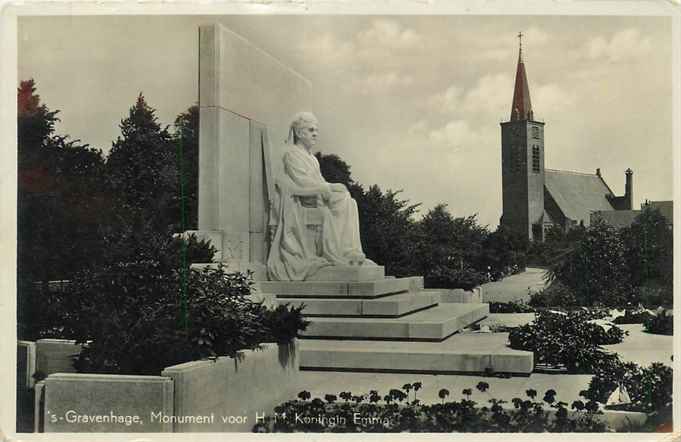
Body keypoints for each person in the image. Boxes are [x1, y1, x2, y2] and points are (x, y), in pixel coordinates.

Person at [267, 112, 371, 281]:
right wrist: (328, 187)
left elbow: (319, 181)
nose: (315, 134)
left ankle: (348, 250)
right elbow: (302, 182)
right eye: (311, 130)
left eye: (316, 130)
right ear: (300, 133)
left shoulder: (312, 159)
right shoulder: (292, 154)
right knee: (343, 199)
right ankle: (339, 252)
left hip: (315, 196)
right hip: (303, 198)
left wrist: (330, 187)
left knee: (349, 201)